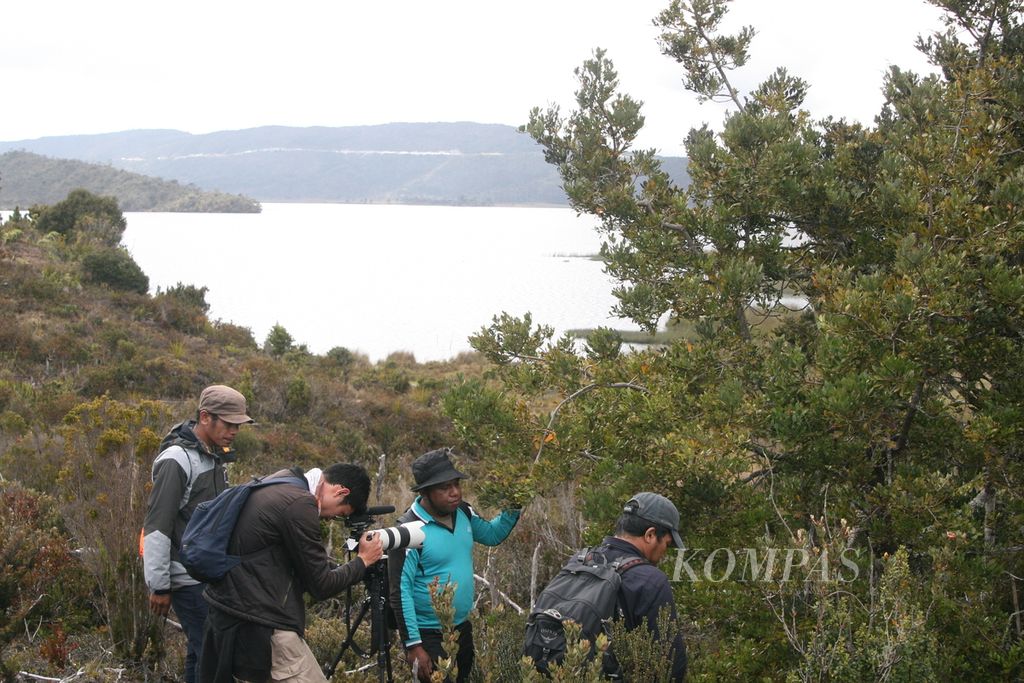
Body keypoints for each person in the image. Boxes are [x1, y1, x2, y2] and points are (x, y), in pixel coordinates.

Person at [199, 463, 384, 683]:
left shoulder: (282, 480)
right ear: (341, 492)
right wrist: (363, 561)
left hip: (230, 613)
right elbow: (321, 586)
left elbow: (282, 560)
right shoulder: (300, 503)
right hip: (262, 623)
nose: (330, 519)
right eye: (340, 512)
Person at [143, 384, 254, 683]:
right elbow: (156, 525)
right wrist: (160, 585)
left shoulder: (213, 456)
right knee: (214, 658)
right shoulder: (177, 460)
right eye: (229, 423)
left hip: (205, 575)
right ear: (205, 417)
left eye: (238, 425)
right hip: (185, 579)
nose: (234, 431)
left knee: (201, 654)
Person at [388, 448, 521, 682]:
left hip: (461, 628)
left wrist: (516, 501)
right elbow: (401, 592)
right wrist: (414, 646)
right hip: (428, 636)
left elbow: (491, 534)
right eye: (444, 487)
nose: (455, 492)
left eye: (456, 484)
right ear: (425, 493)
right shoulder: (409, 531)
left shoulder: (463, 512)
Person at [602, 492, 688, 681]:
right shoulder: (650, 580)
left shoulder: (579, 561)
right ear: (650, 535)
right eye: (667, 543)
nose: (665, 551)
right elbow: (671, 665)